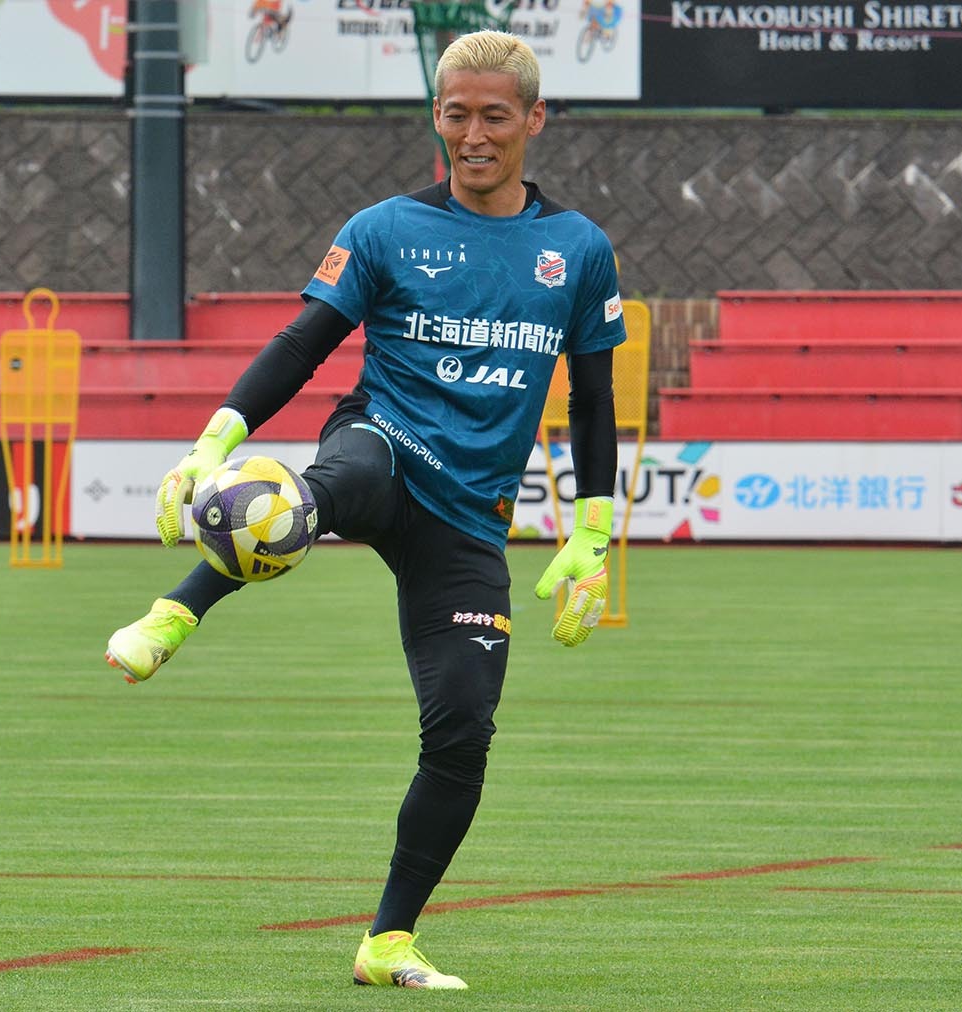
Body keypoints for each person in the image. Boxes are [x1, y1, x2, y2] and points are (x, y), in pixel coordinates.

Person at [105, 29, 626, 990]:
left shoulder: (578, 251)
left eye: (494, 117)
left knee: (462, 731)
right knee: (315, 492)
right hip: (384, 441)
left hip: (468, 517)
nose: (473, 135)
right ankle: (175, 612)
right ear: (436, 116)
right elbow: (302, 342)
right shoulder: (385, 228)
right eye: (456, 115)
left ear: (534, 120)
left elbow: (592, 399)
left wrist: (592, 534)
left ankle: (388, 941)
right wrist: (214, 442)